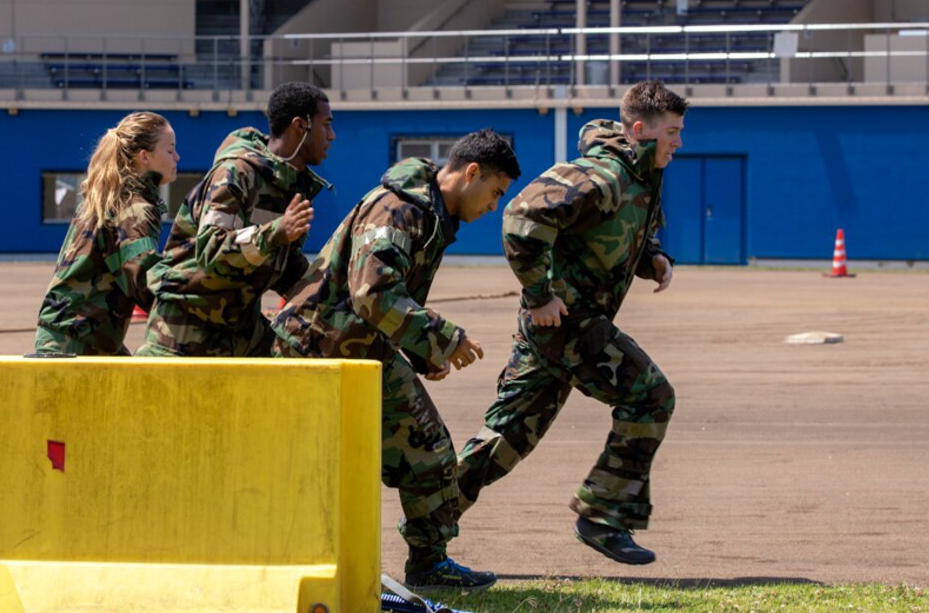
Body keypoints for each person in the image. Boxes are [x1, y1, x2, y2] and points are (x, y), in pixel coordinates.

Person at [271, 129, 521, 591]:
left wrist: (423, 355)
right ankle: (301, 563)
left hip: (359, 350)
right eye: (495, 192)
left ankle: (428, 565)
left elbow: (397, 296)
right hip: (315, 351)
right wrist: (445, 339)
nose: (494, 205)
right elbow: (374, 294)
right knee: (328, 466)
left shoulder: (431, 215)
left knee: (427, 451)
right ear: (471, 174)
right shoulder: (399, 209)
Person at [455, 81, 686, 565]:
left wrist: (653, 260)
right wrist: (539, 294)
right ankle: (604, 515)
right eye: (671, 132)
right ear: (641, 130)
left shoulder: (642, 176)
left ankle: (426, 523)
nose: (679, 143)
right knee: (650, 395)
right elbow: (521, 218)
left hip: (563, 326)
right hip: (568, 323)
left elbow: (618, 234)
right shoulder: (601, 174)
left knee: (508, 439)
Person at [136, 81, 334, 357]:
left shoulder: (289, 187)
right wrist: (276, 231)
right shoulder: (235, 174)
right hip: (183, 334)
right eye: (326, 125)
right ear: (300, 126)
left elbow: (285, 267)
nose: (332, 136)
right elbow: (212, 249)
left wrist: (333, 294)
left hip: (238, 333)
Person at [35, 111, 178, 355]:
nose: (177, 157)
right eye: (170, 150)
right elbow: (143, 277)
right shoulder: (134, 207)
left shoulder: (111, 196)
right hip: (78, 341)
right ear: (144, 156)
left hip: (75, 334)